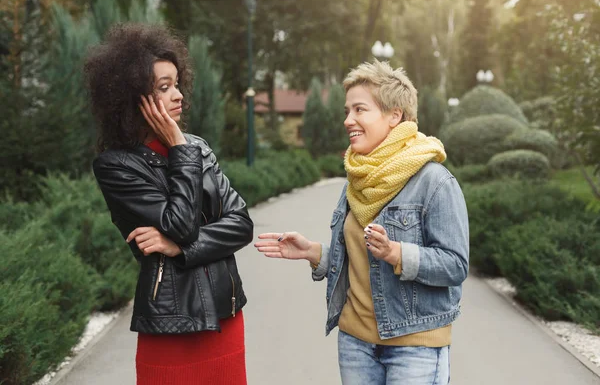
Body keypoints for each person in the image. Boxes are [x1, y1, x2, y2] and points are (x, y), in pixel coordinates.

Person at [255, 60, 469, 385]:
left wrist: (398, 254)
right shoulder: (357, 181)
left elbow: (455, 265)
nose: (348, 120)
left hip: (415, 344)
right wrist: (314, 252)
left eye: (359, 109)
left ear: (394, 115)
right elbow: (362, 262)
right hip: (356, 343)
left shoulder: (434, 181)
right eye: (347, 110)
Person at [85, 23, 253, 385]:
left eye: (177, 83)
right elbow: (182, 223)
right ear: (132, 100)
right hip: (170, 326)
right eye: (163, 87)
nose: (178, 95)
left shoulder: (198, 147)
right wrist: (179, 149)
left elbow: (241, 224)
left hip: (226, 319)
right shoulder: (116, 166)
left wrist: (177, 248)